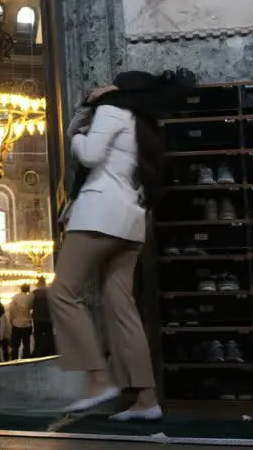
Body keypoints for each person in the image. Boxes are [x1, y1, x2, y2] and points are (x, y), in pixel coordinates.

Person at [50, 71, 166, 420]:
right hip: (131, 221)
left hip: (99, 213)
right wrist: (89, 107)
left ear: (120, 88)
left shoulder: (113, 111)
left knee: (62, 293)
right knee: (122, 307)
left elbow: (87, 154)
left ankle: (98, 378)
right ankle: (147, 398)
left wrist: (84, 129)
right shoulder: (146, 126)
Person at [7, 284, 34, 360]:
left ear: (21, 289)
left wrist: (11, 320)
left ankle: (14, 359)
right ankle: (26, 359)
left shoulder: (15, 298)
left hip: (16, 324)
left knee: (15, 345)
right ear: (28, 289)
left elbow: (11, 310)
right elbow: (31, 308)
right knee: (26, 344)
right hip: (27, 324)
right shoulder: (29, 298)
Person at [29, 277, 53, 356]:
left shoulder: (34, 293)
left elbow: (30, 305)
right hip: (48, 318)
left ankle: (38, 351)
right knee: (49, 335)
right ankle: (49, 351)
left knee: (38, 335)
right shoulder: (50, 292)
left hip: (38, 318)